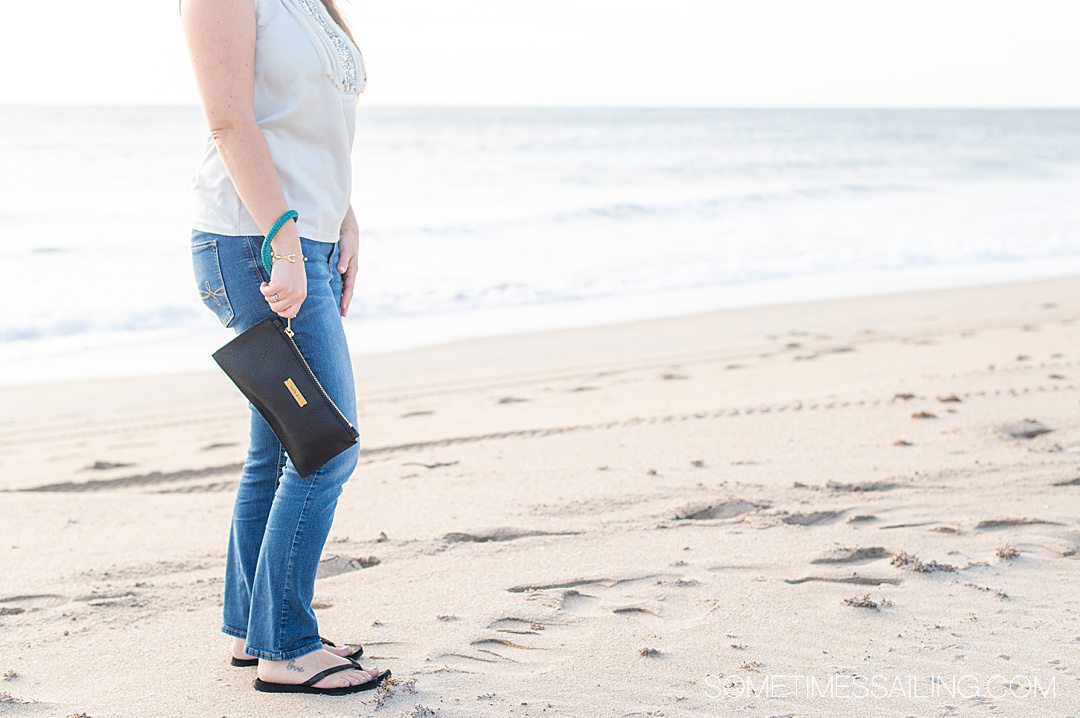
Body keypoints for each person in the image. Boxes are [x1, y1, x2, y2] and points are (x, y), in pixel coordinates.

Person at [180, 0, 388, 695]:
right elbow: (230, 122)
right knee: (326, 444)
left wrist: (345, 219)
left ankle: (252, 628)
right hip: (256, 242)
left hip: (307, 239)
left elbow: (315, 130)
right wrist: (288, 244)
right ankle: (287, 646)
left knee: (278, 449)